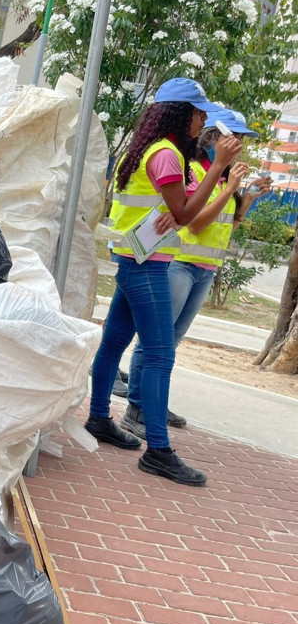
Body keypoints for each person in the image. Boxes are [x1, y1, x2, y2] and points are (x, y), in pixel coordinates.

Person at [84, 78, 241, 487]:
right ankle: (158, 450)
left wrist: (182, 205)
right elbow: (187, 214)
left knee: (114, 344)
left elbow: (178, 209)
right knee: (159, 354)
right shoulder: (166, 155)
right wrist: (220, 167)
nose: (204, 119)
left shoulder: (153, 150)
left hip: (135, 259)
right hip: (148, 266)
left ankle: (99, 417)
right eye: (198, 112)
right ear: (179, 113)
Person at [120, 109, 272, 438]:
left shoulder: (221, 176)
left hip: (205, 270)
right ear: (212, 138)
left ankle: (154, 403)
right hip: (181, 264)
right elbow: (197, 222)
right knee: (155, 341)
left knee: (171, 341)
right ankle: (136, 409)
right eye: (236, 137)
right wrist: (230, 188)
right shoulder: (194, 170)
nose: (240, 144)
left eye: (243, 139)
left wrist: (246, 199)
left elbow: (227, 225)